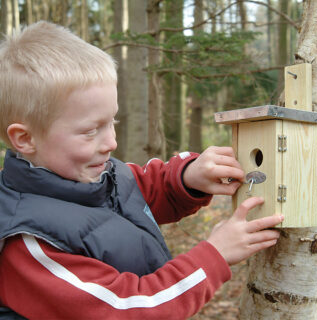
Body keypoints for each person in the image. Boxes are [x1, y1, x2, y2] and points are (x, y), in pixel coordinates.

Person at [0, 21, 283, 320]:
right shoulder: (29, 243)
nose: (111, 142)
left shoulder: (99, 175)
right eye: (89, 131)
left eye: (112, 122)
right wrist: (215, 256)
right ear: (26, 138)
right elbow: (127, 308)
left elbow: (146, 187)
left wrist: (189, 176)